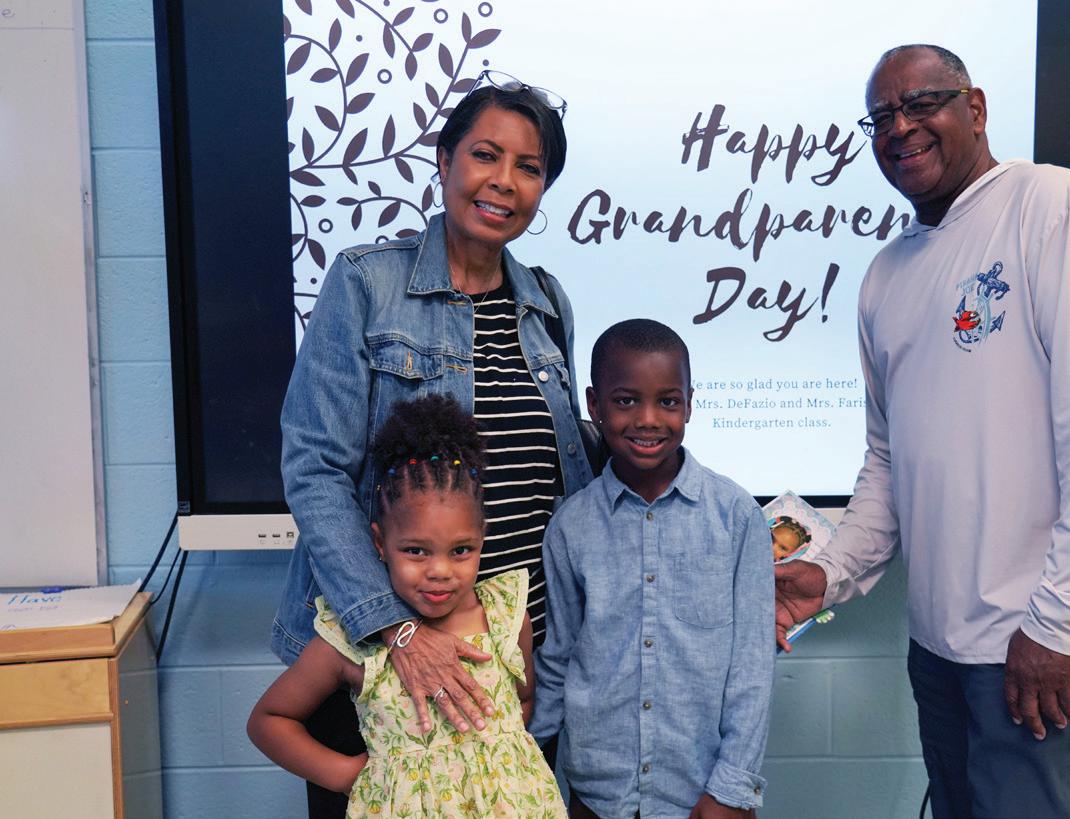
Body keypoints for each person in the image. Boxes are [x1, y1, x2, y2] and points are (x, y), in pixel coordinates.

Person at [774, 44, 1070, 819]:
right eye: (880, 117)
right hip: (941, 650)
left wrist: (1056, 624)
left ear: (974, 109)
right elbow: (889, 463)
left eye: (920, 104)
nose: (899, 128)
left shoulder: (1052, 209)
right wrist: (829, 572)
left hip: (1045, 644)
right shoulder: (886, 275)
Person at [273, 71, 594, 816]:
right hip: (384, 657)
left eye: (529, 166)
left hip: (504, 667)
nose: (504, 180)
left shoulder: (548, 302)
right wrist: (398, 630)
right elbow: (314, 469)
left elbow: (565, 471)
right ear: (444, 160)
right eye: (485, 154)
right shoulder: (366, 283)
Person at [249, 395, 566, 818]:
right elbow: (268, 720)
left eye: (461, 550)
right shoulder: (351, 642)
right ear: (380, 544)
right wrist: (345, 775)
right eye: (416, 551)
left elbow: (524, 701)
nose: (440, 571)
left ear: (482, 539)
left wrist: (496, 752)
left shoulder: (508, 618)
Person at [530, 319, 775, 819]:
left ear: (689, 404)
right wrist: (520, 762)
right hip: (597, 794)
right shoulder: (571, 526)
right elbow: (558, 660)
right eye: (626, 401)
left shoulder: (736, 517)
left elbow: (752, 670)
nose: (648, 419)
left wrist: (732, 787)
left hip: (702, 794)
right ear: (594, 405)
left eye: (667, 401)